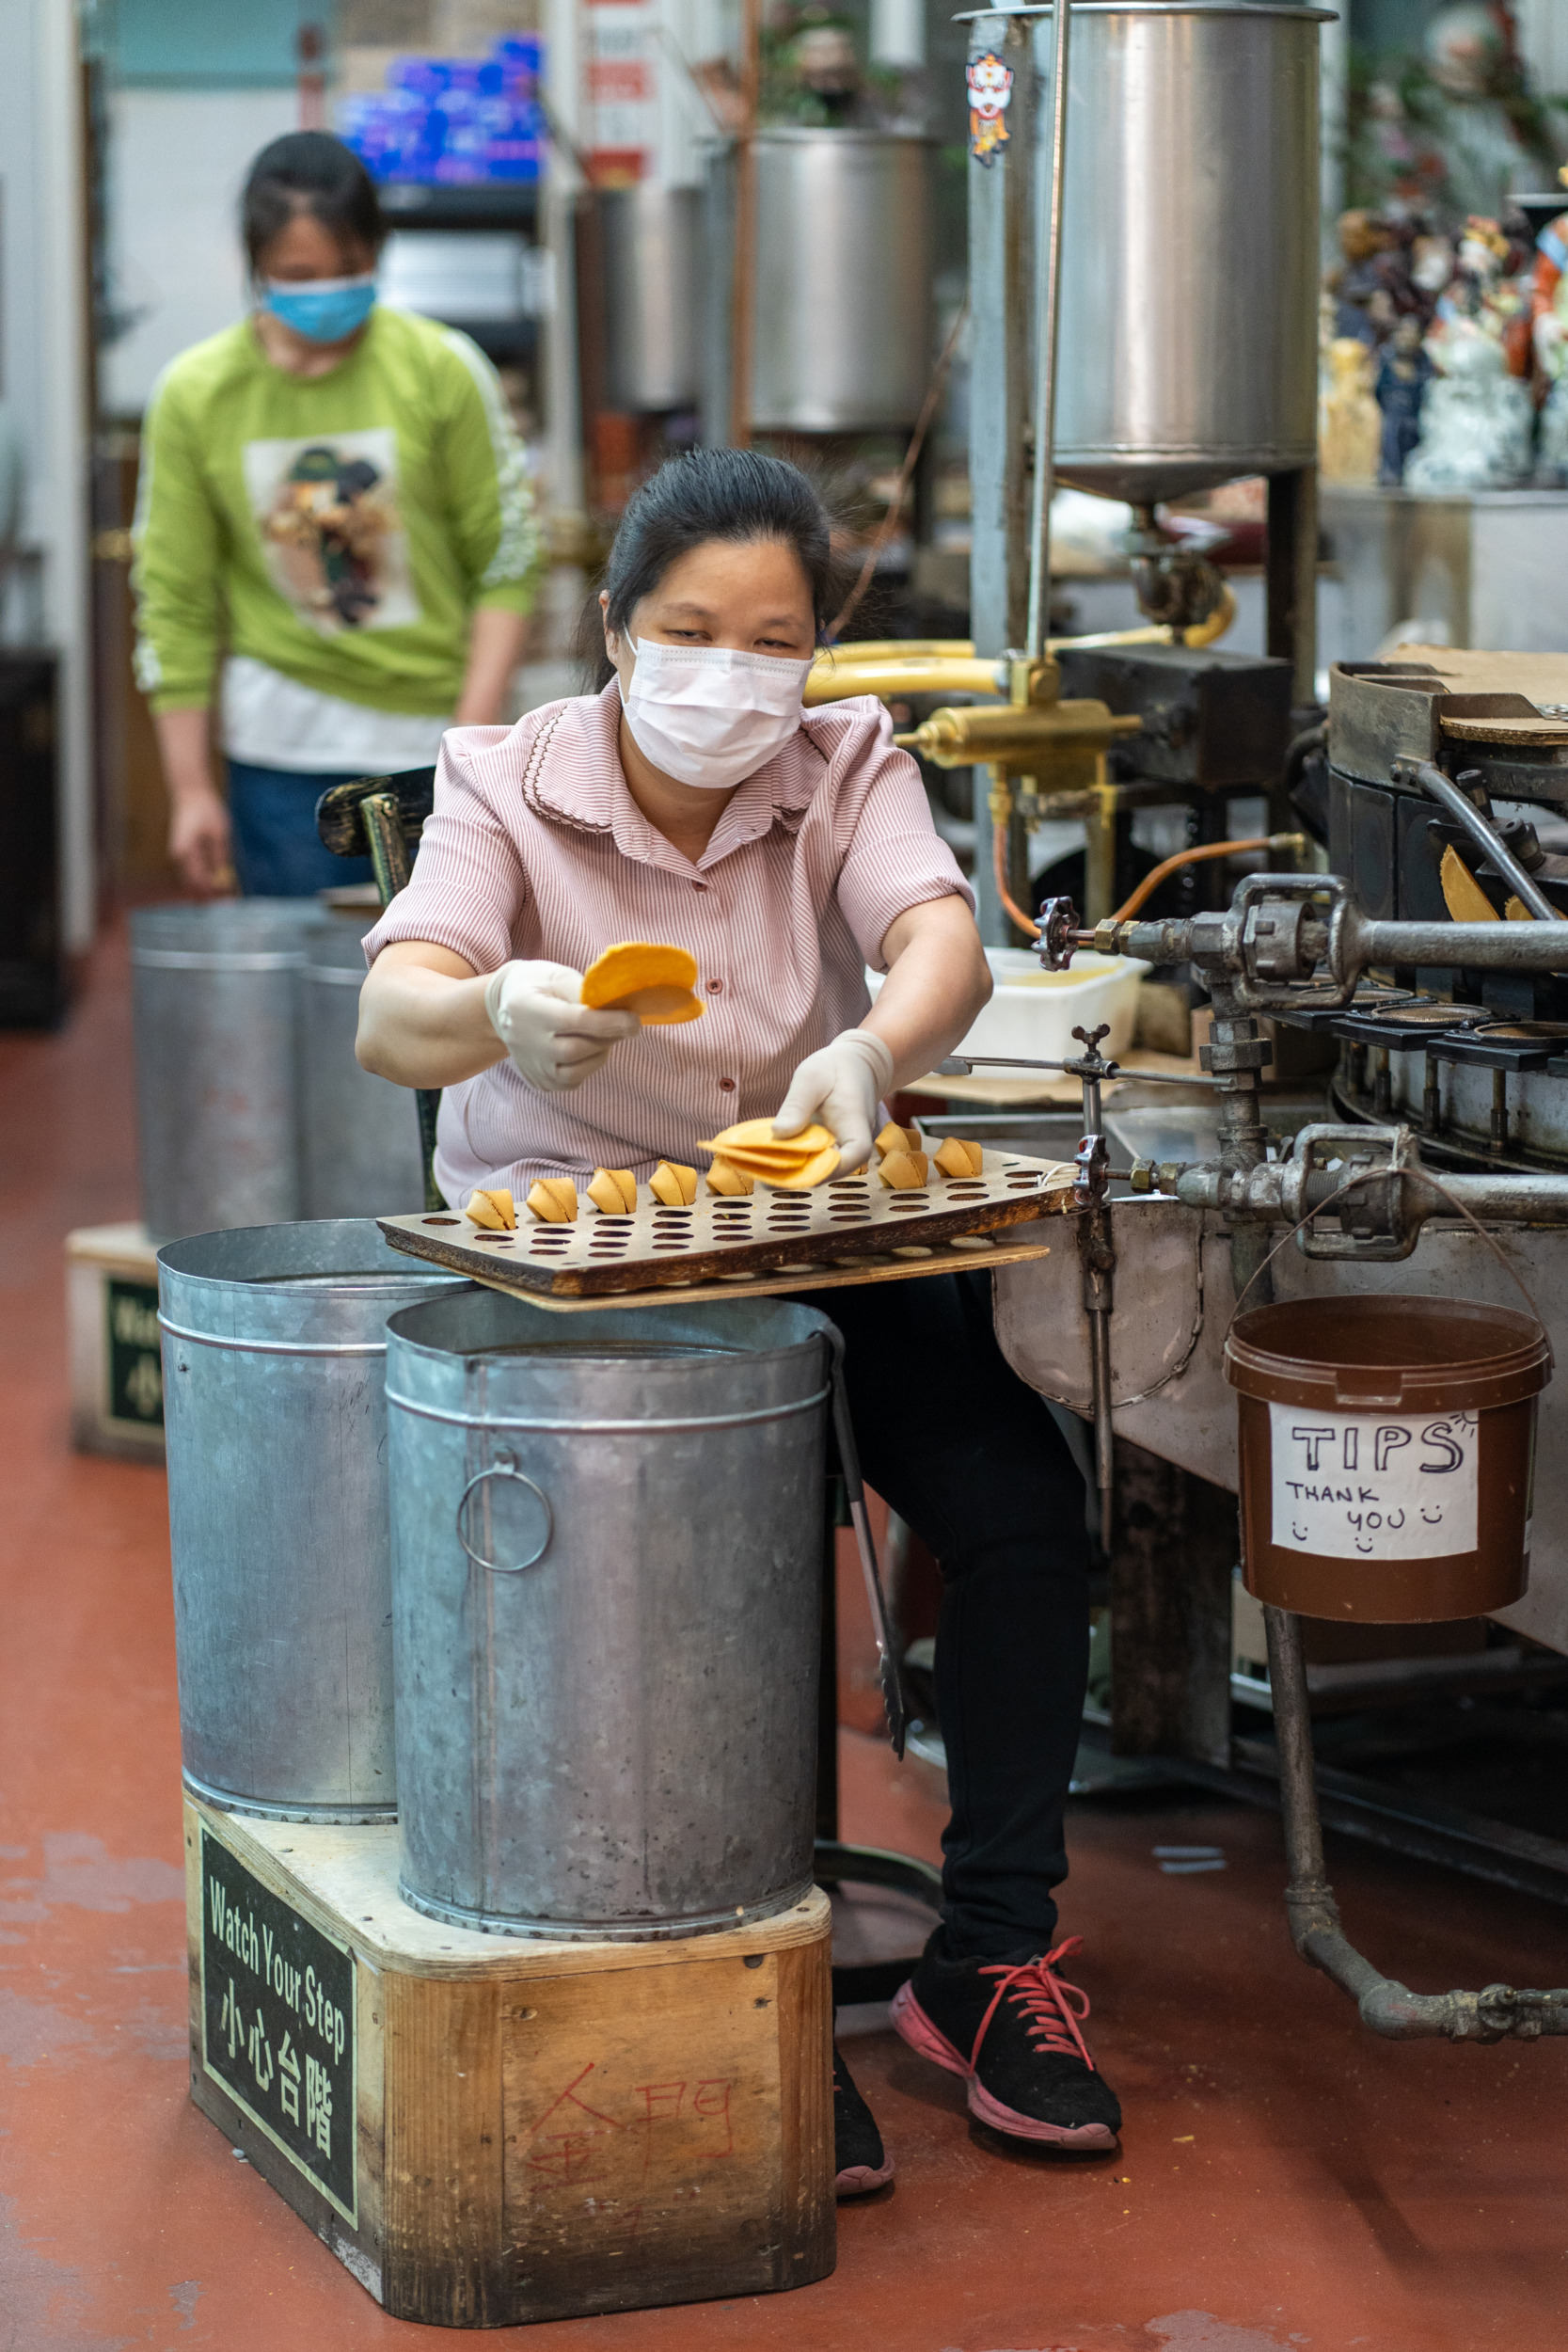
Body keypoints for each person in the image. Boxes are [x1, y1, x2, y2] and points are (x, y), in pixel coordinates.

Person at [355, 449, 1121, 2193]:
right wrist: (493, 1007)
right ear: (616, 629)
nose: (729, 673)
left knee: (1019, 1507)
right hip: (593, 1249)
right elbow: (389, 1022)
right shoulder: (507, 780)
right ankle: (753, 1974)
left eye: (771, 640)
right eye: (689, 630)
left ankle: (989, 1956)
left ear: (816, 651)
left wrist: (870, 1049)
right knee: (733, 1550)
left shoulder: (846, 767)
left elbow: (940, 942)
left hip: (808, 1207)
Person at [132, 131, 545, 898]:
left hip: (435, 739)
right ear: (254, 266)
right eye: (297, 275)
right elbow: (174, 603)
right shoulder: (196, 393)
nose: (326, 292)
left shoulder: (441, 368)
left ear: (379, 253)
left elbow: (507, 564)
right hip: (281, 759)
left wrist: (469, 743)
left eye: (350, 270)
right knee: (309, 999)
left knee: (440, 995)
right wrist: (190, 788)